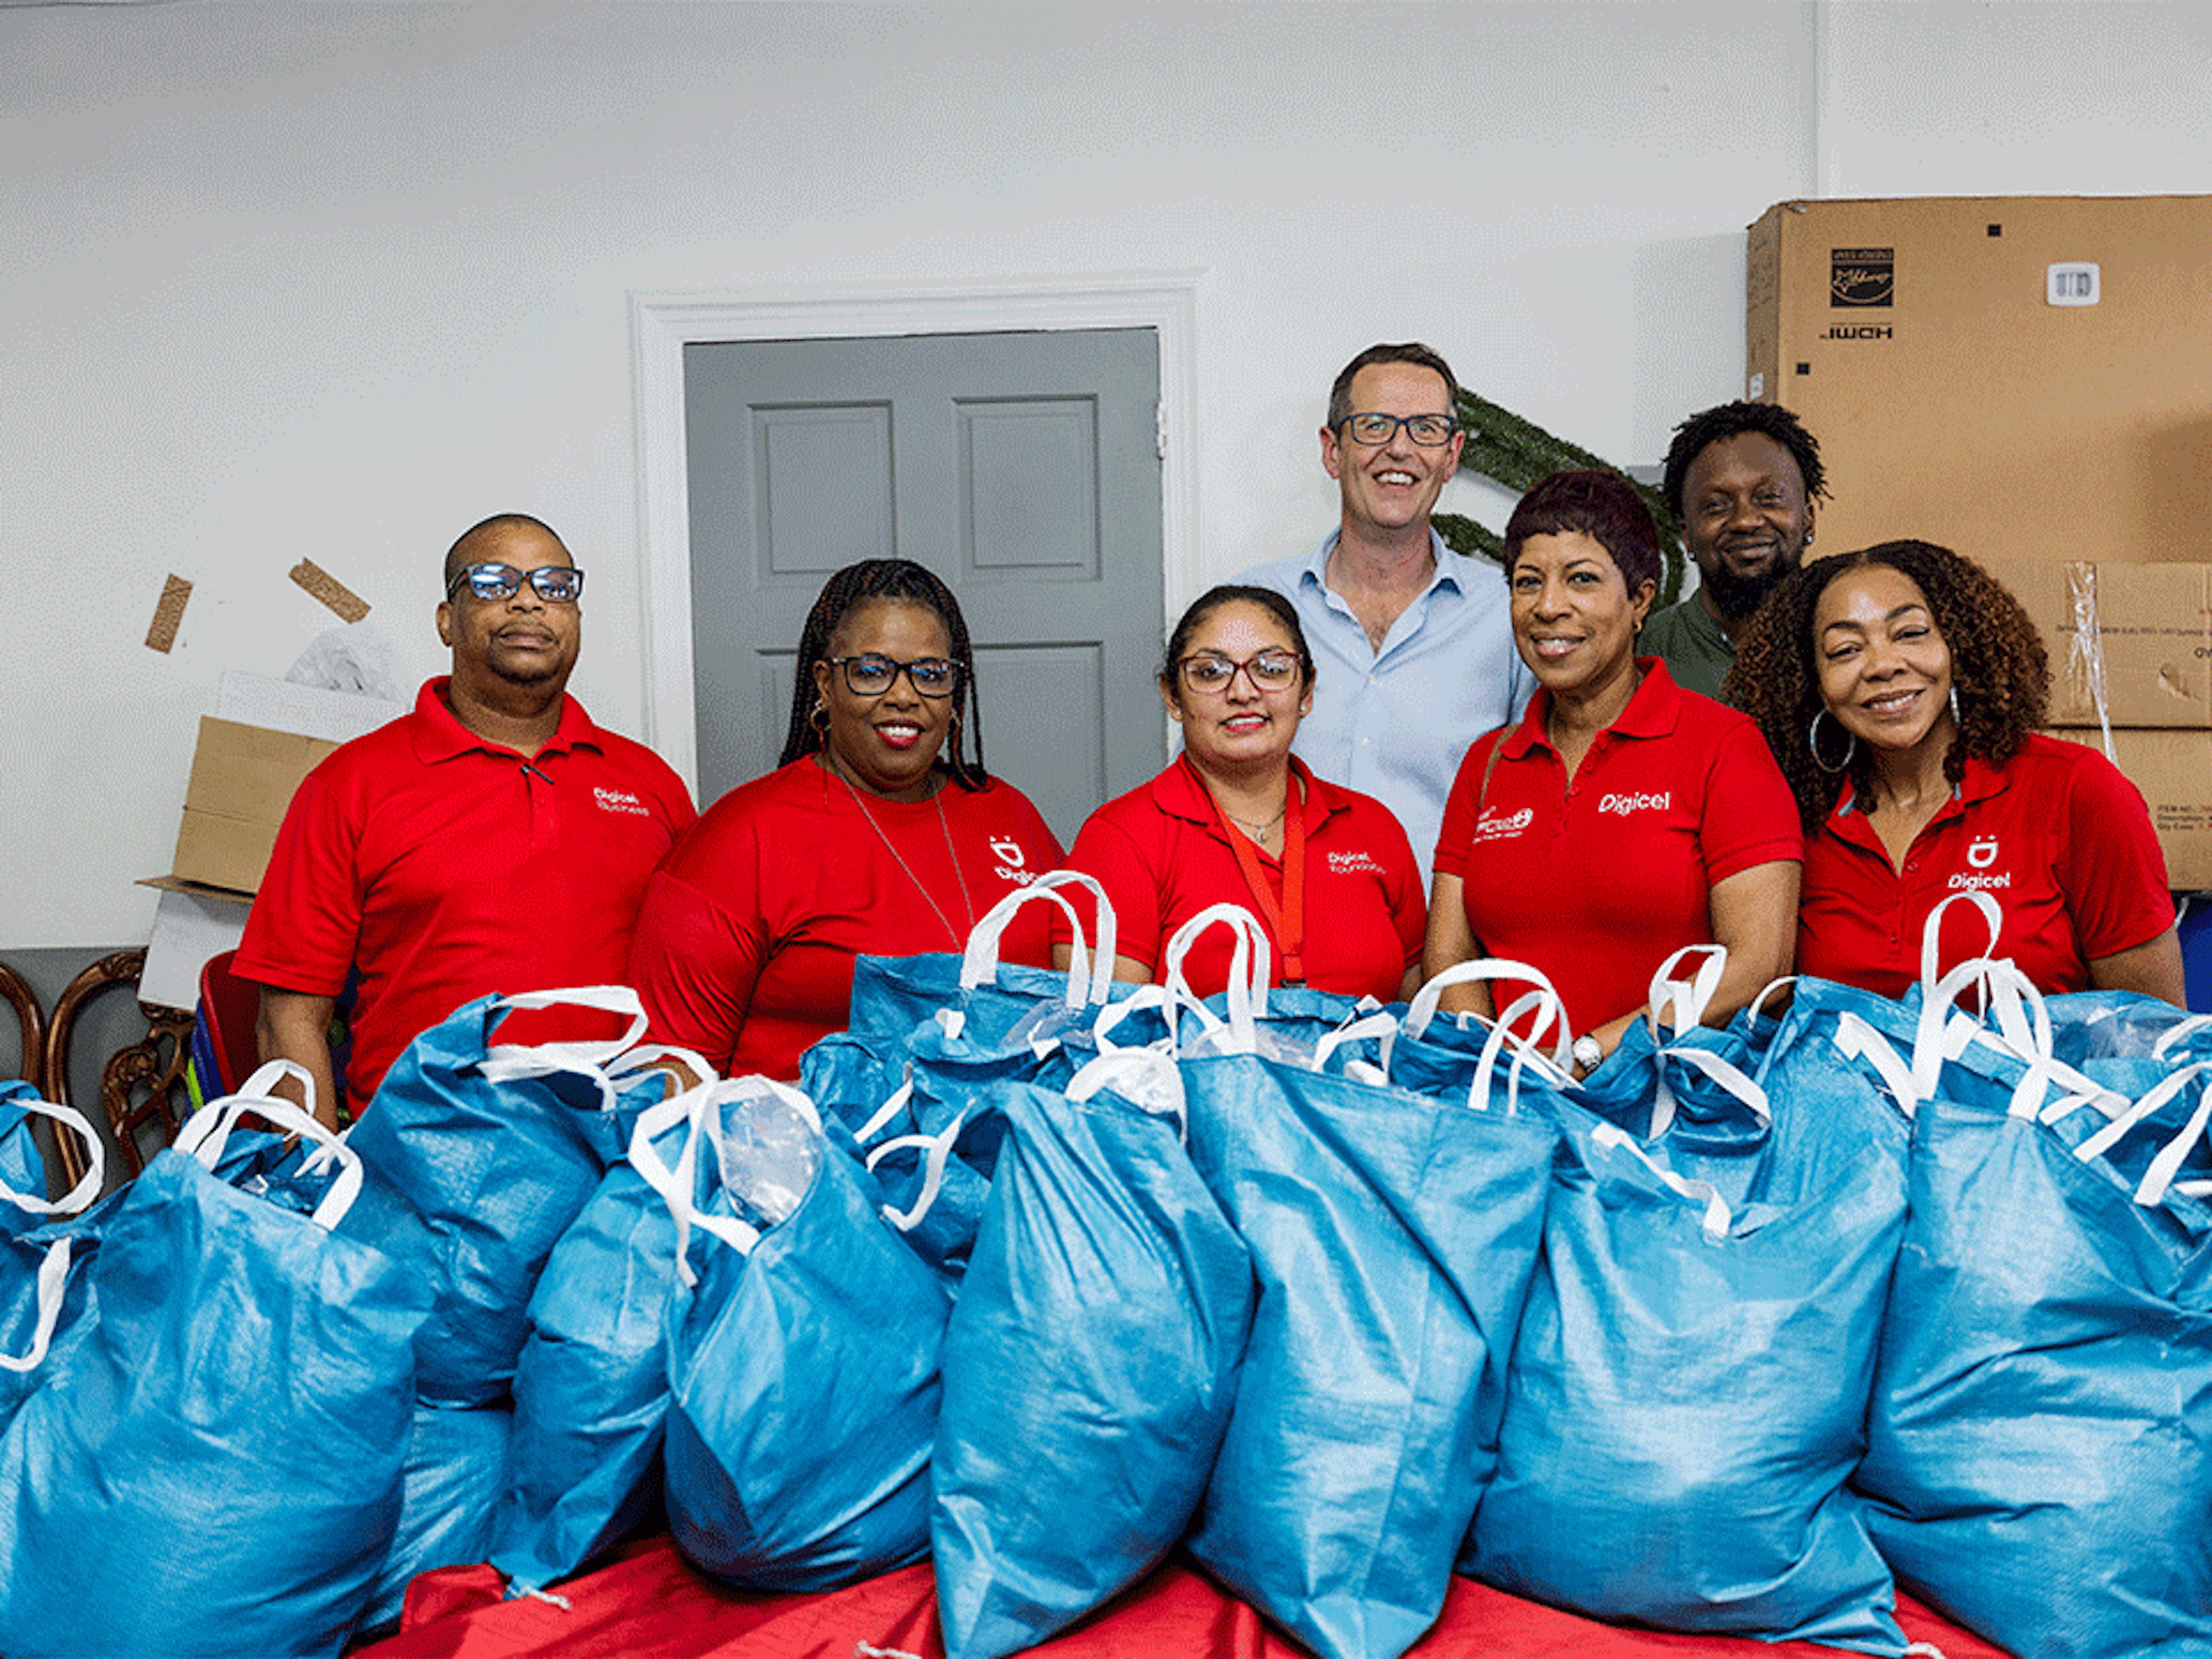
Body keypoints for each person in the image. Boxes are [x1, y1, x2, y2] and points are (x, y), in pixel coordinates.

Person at [235, 513, 697, 1127]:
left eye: (556, 586)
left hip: (621, 1159)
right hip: (424, 1165)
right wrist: (320, 1184)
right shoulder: (350, 786)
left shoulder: (650, 785)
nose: (529, 600)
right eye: (493, 582)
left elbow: (704, 991)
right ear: (447, 621)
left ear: (576, 620)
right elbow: (288, 1018)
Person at [627, 559, 1066, 1080]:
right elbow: (666, 1066)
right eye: (872, 671)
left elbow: (1074, 1007)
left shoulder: (1009, 813)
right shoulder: (742, 838)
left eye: (931, 674)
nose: (904, 696)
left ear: (955, 695)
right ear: (825, 684)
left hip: (1000, 1144)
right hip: (808, 1150)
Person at [1425, 471, 1802, 1072]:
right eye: (1528, 583)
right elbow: (1450, 958)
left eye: (1582, 580)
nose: (1549, 607)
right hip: (1509, 1104)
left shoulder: (1723, 745)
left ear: (1641, 600)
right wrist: (1495, 1066)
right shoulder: (1490, 760)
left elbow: (1760, 966)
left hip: (1665, 1112)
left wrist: (1591, 1055)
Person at [1726, 540, 2182, 1003]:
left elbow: (2150, 1029)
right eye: (1845, 650)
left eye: (1909, 634)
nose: (1883, 666)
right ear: (1817, 686)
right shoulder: (1795, 813)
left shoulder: (2076, 788)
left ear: (1957, 648)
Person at [1238, 342, 1533, 885]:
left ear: (1452, 455)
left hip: (1446, 953)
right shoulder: (1252, 607)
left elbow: (1534, 806)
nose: (1400, 449)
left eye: (1425, 429)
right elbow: (1200, 784)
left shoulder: (1507, 614)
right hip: (1283, 947)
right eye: (1374, 426)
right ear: (1332, 451)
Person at [1059, 585, 1425, 1003]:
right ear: (1172, 697)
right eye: (1211, 672)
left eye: (1271, 668)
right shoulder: (1120, 838)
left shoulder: (1373, 827)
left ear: (1306, 691)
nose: (1243, 692)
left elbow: (1415, 1016)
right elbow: (1102, 1038)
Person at [1641, 401, 1827, 700]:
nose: (1745, 521)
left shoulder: (1850, 641)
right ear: (1686, 533)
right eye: (1716, 506)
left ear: (1808, 519)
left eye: (1769, 498)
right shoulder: (1642, 655)